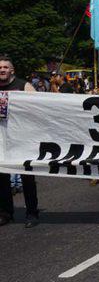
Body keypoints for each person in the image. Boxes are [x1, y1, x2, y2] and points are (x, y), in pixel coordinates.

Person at [0, 55, 39, 228]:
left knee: (27, 177)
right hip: (2, 140)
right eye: (0, 68)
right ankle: (6, 212)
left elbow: (40, 106)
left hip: (22, 139)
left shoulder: (24, 86)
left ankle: (32, 213)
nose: (2, 70)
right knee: (2, 177)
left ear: (12, 70)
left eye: (5, 67)